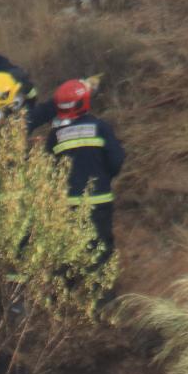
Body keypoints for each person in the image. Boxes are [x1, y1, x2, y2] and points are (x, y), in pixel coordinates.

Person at [42, 78, 125, 265]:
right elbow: (116, 160)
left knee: (71, 256)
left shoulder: (55, 136)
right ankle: (101, 283)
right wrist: (104, 178)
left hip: (67, 206)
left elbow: (47, 169)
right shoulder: (101, 128)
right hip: (99, 201)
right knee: (101, 253)